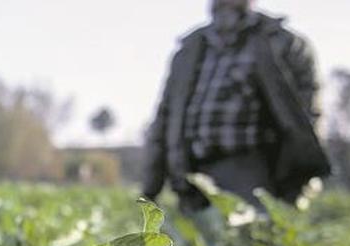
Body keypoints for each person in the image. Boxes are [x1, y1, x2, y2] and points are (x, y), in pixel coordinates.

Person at [142, 0, 331, 212]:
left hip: (254, 177)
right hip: (191, 178)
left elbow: (308, 117)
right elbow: (164, 118)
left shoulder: (283, 43)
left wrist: (301, 180)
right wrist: (150, 189)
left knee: (247, 242)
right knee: (196, 244)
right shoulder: (191, 47)